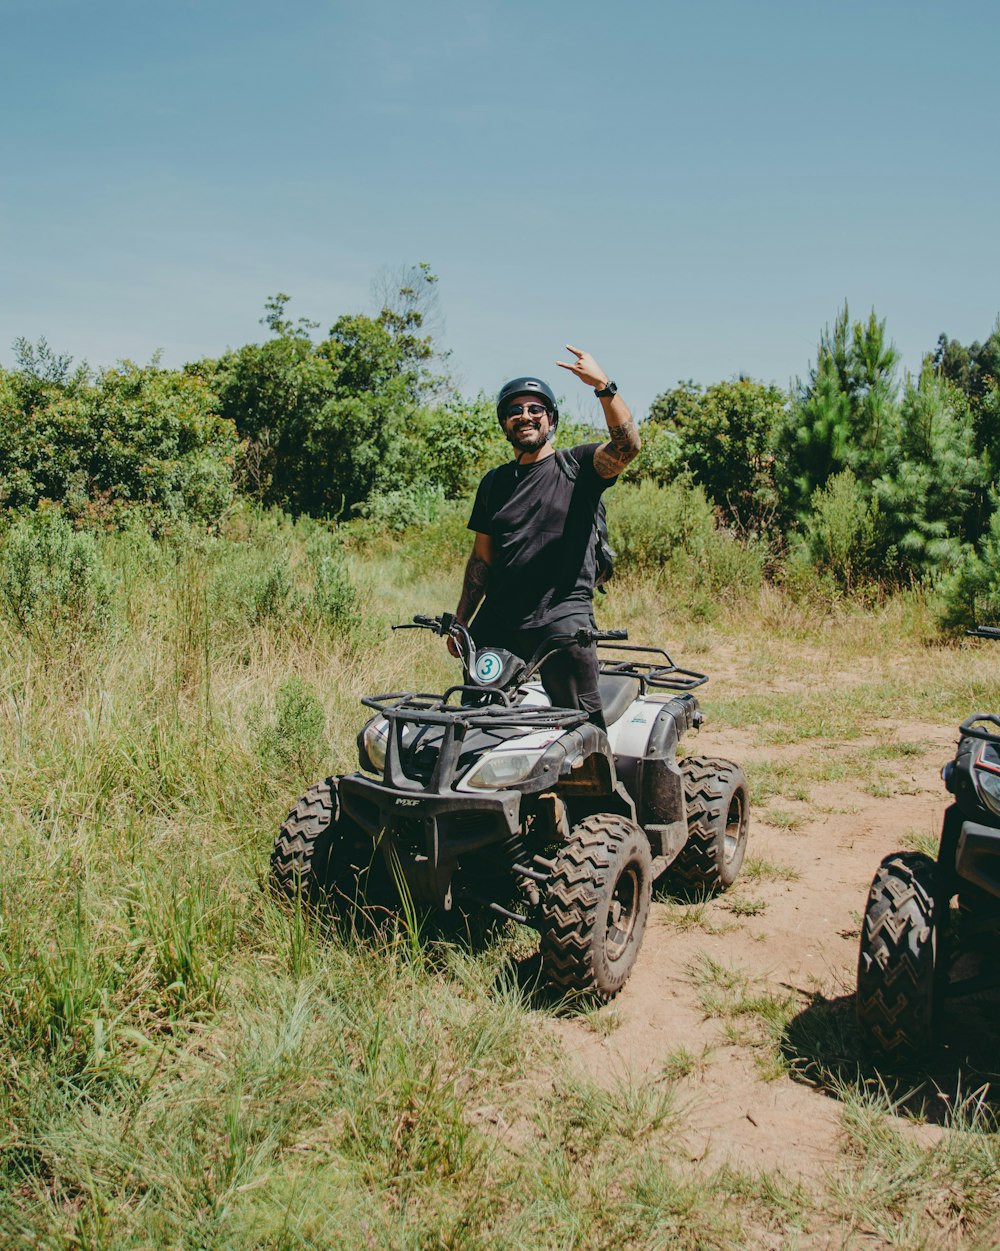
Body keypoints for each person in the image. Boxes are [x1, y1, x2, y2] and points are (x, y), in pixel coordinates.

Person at [449, 345, 641, 729]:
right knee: (474, 717)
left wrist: (603, 386)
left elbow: (628, 446)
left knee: (579, 727)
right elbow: (482, 560)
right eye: (515, 410)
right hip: (500, 618)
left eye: (536, 409)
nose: (525, 416)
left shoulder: (578, 466)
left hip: (562, 616)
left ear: (550, 421)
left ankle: (596, 790)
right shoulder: (494, 483)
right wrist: (461, 621)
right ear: (505, 424)